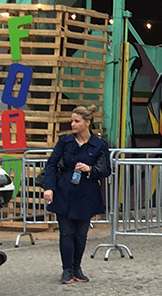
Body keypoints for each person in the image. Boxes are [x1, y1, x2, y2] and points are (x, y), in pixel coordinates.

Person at [42, 106, 111, 285]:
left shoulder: (99, 145)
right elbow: (51, 164)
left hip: (87, 193)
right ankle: (67, 269)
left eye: (76, 121)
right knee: (66, 233)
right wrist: (49, 188)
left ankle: (77, 268)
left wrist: (90, 169)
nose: (72, 124)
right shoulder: (65, 141)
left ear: (87, 123)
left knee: (81, 234)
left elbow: (106, 169)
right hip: (64, 190)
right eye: (71, 121)